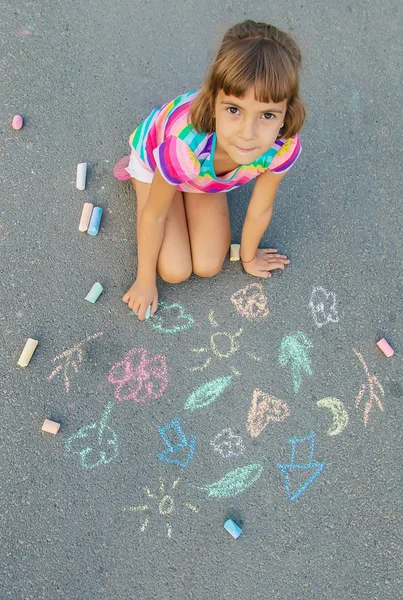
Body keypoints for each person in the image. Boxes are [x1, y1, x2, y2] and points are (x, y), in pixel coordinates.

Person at [113, 19, 306, 320]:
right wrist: (144, 280)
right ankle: (148, 183)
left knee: (208, 264)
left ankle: (194, 187)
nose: (248, 133)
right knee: (174, 270)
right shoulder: (185, 144)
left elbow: (260, 208)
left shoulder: (282, 146)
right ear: (213, 100)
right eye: (234, 110)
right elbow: (155, 215)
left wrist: (250, 257)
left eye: (267, 115)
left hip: (200, 176)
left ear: (286, 115)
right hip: (160, 163)